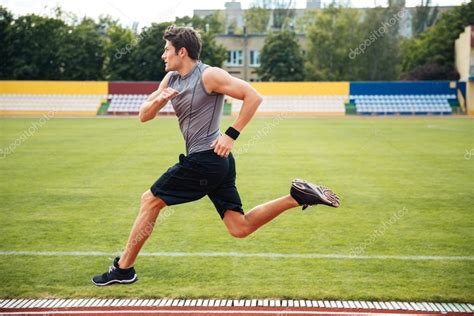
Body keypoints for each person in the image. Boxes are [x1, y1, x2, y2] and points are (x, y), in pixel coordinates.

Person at [92, 26, 340, 286]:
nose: (163, 55)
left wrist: (231, 135)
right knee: (239, 227)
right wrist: (158, 100)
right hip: (213, 163)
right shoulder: (171, 80)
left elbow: (253, 97)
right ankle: (296, 196)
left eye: (166, 50)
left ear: (182, 51)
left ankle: (123, 269)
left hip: (206, 160)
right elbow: (144, 115)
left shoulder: (209, 75)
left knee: (150, 200)